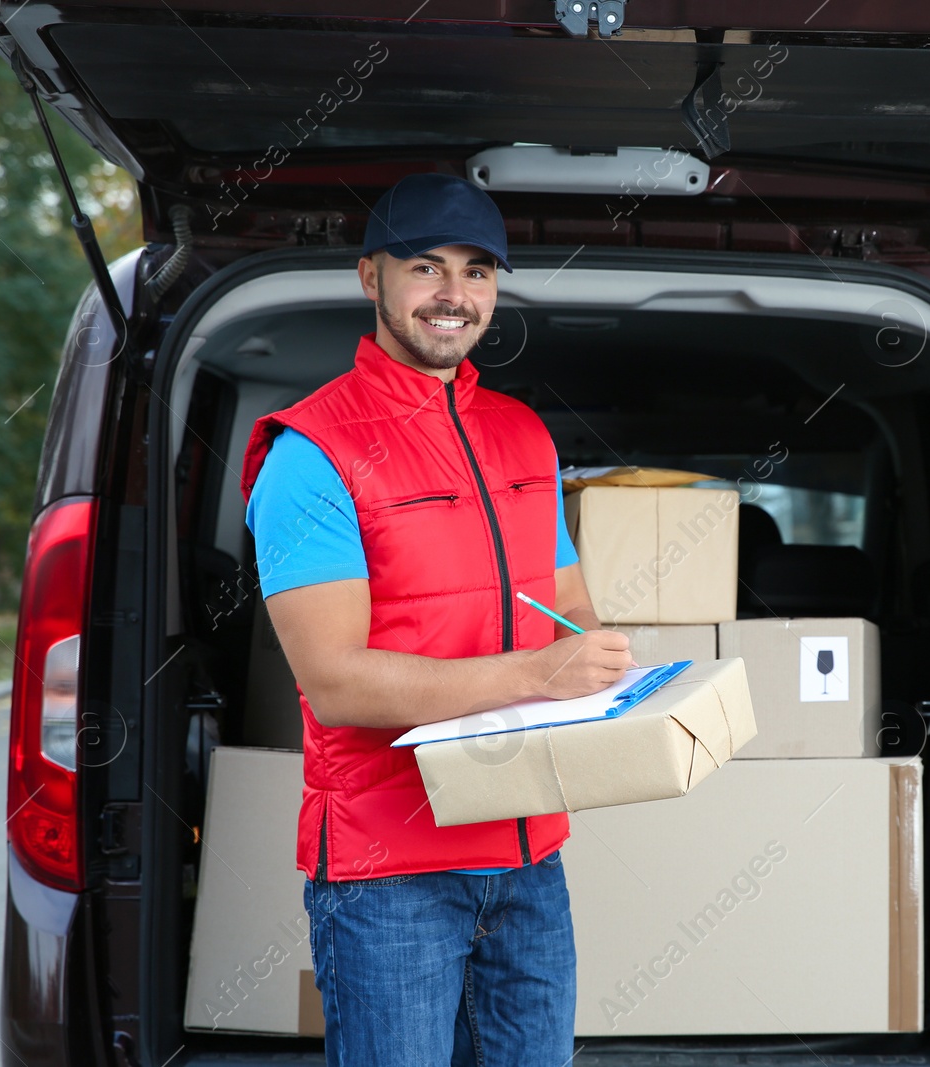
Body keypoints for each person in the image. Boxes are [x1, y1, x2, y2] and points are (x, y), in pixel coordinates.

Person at [239, 172, 632, 1065]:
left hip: (529, 855)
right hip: (389, 870)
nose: (455, 294)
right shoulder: (313, 452)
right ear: (370, 276)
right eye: (427, 266)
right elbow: (334, 681)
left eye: (478, 271)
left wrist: (608, 676)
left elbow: (567, 608)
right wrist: (540, 674)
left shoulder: (524, 435)